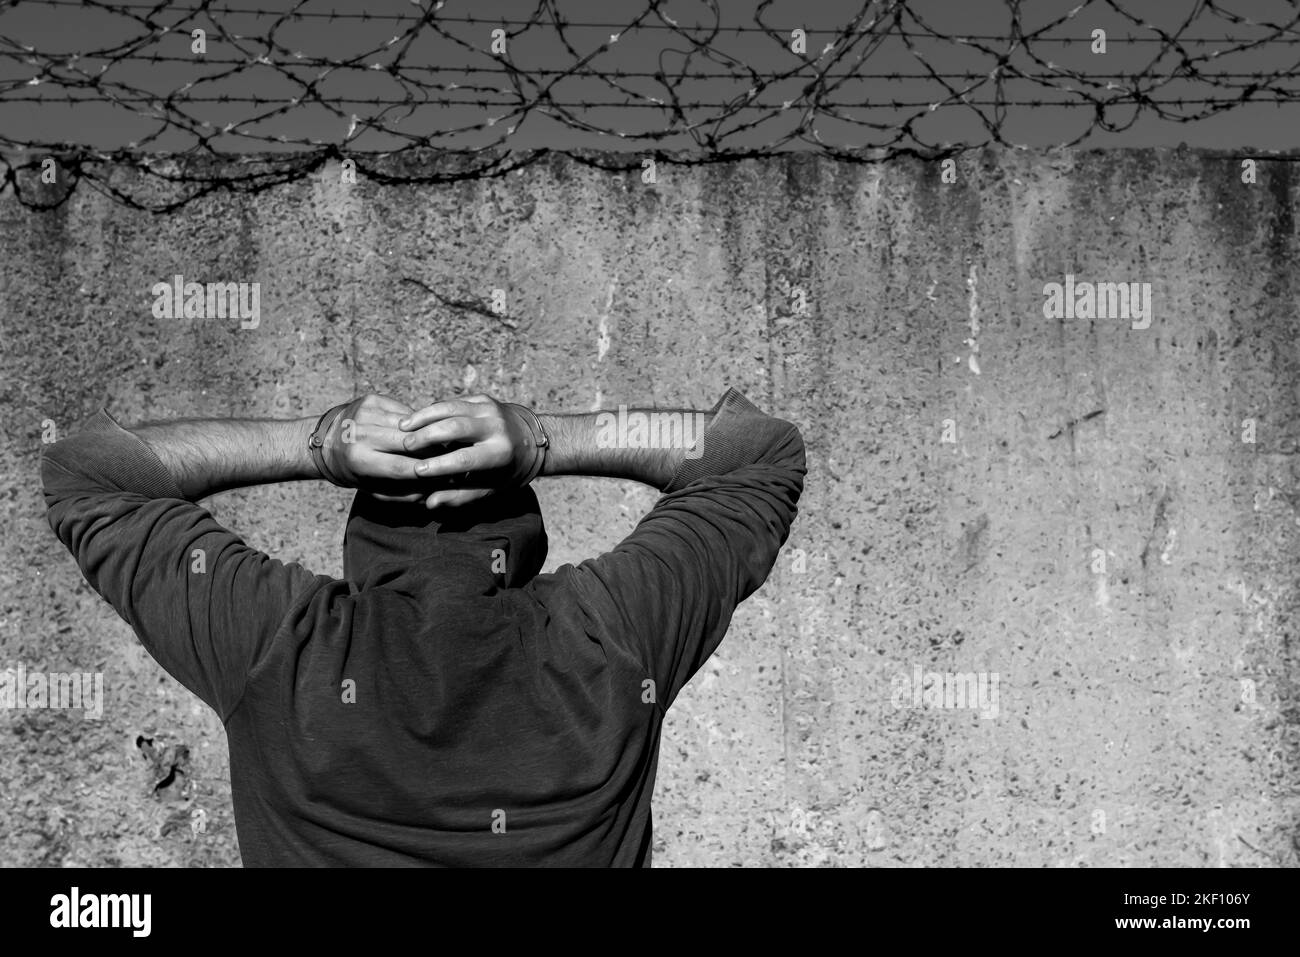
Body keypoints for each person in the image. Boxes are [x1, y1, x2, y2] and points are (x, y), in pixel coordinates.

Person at [40, 386, 806, 866]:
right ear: (527, 544)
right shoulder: (612, 636)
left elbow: (86, 472)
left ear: (359, 546)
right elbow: (757, 458)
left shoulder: (278, 647)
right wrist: (539, 437)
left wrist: (320, 441)